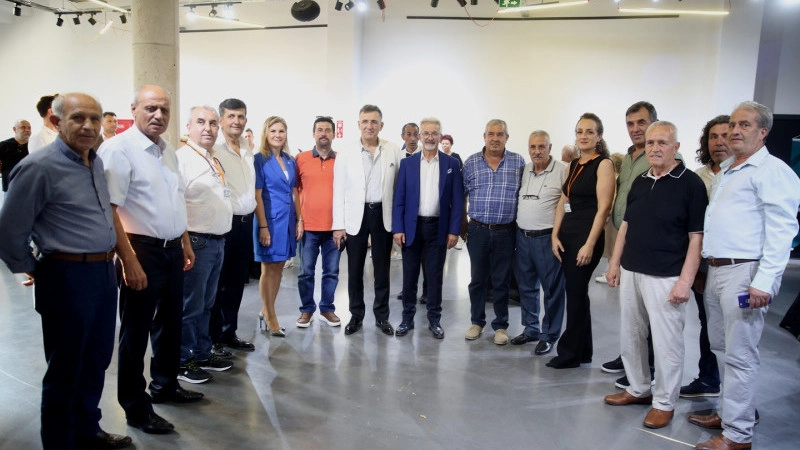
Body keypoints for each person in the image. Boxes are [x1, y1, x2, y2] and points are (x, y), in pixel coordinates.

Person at [0, 92, 132, 449]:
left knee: (96, 360)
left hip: (102, 274)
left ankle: (87, 431)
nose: (88, 126)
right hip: (66, 276)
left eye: (95, 118)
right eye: (78, 118)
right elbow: (9, 233)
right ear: (57, 122)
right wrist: (38, 269)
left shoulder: (95, 163)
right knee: (66, 368)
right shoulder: (38, 167)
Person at [690, 102, 800, 450]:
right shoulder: (728, 170)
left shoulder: (772, 171)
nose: (735, 131)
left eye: (745, 125)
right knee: (721, 347)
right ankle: (730, 412)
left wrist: (763, 281)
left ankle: (738, 434)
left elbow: (782, 231)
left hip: (745, 271)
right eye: (733, 124)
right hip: (718, 269)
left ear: (763, 132)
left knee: (740, 354)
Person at [99, 85, 201, 435]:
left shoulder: (167, 151)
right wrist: (128, 260)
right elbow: (110, 210)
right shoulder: (118, 150)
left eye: (164, 110)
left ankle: (165, 385)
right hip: (139, 249)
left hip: (172, 248)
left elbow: (174, 200)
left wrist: (184, 241)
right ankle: (135, 407)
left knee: (170, 323)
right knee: (135, 331)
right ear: (134, 109)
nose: (158, 115)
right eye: (151, 108)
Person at [603, 121, 707, 430]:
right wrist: (614, 263)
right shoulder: (640, 181)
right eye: (650, 143)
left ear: (676, 147)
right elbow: (626, 226)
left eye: (662, 142)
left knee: (666, 342)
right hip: (632, 269)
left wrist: (685, 281)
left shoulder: (690, 184)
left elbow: (696, 238)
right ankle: (638, 388)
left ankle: (664, 402)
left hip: (666, 276)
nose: (655, 148)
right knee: (631, 333)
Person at [546, 113, 614, 369]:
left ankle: (569, 354)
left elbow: (604, 208)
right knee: (577, 293)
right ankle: (583, 350)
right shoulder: (574, 164)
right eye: (579, 131)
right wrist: (555, 234)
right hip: (568, 235)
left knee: (575, 293)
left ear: (599, 136)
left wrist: (590, 244)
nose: (583, 136)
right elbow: (563, 201)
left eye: (589, 131)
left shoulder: (603, 164)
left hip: (586, 236)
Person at [602, 101, 659, 388]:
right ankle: (630, 358)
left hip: (647, 243)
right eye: (630, 123)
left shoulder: (660, 156)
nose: (635, 128)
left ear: (653, 123)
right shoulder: (627, 157)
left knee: (649, 312)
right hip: (625, 239)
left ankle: (646, 368)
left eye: (641, 122)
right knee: (631, 311)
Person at [175, 106, 234, 383]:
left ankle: (201, 352)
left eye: (212, 123)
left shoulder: (211, 158)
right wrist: (185, 242)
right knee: (190, 305)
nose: (208, 128)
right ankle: (182, 360)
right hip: (197, 243)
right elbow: (176, 205)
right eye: (201, 122)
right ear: (189, 127)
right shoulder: (182, 159)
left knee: (206, 305)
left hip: (217, 242)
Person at [332, 104, 400, 336]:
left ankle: (382, 316)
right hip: (355, 216)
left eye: (374, 122)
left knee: (382, 269)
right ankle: (356, 315)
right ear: (358, 124)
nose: (369, 126)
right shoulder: (346, 152)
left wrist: (398, 223)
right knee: (354, 270)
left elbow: (398, 188)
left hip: (382, 214)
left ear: (381, 125)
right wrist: (338, 225)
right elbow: (338, 190)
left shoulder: (392, 150)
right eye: (365, 121)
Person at [392, 117, 463, 339]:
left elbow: (458, 201)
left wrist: (454, 231)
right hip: (411, 229)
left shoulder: (451, 164)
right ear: (420, 136)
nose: (430, 137)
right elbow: (399, 199)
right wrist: (398, 228)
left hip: (438, 229)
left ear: (440, 136)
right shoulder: (408, 164)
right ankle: (407, 319)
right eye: (426, 133)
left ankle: (434, 320)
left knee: (434, 278)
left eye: (434, 133)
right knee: (409, 277)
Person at [680, 115, 732, 399]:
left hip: (734, 266)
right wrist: (697, 270)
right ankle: (709, 379)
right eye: (713, 136)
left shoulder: (742, 174)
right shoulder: (697, 177)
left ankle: (737, 401)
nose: (719, 142)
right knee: (708, 324)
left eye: (725, 135)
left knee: (734, 335)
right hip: (704, 264)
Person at [462, 119, 526, 345]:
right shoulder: (471, 163)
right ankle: (477, 322)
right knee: (477, 280)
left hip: (506, 232)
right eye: (491, 134)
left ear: (507, 138)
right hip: (478, 230)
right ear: (484, 136)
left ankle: (500, 326)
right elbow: (461, 196)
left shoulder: (518, 162)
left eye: (500, 134)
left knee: (502, 281)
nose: (495, 138)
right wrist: (463, 227)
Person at [511, 130, 567, 355]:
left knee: (552, 289)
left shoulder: (562, 171)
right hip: (522, 236)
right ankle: (531, 328)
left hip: (547, 238)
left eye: (541, 146)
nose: (537, 151)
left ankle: (549, 335)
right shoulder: (524, 170)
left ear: (550, 148)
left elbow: (569, 205)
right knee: (526, 286)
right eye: (533, 147)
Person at [210, 98, 256, 355]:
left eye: (240, 117)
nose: (236, 121)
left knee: (237, 282)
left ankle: (229, 332)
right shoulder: (214, 149)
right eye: (231, 116)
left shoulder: (247, 148)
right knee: (219, 283)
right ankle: (214, 336)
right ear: (221, 120)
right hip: (225, 223)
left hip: (246, 223)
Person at [254, 116, 302, 337]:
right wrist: (263, 227)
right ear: (266, 133)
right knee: (268, 268)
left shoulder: (290, 160)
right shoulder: (259, 160)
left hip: (287, 221)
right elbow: (257, 195)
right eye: (273, 131)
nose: (277, 135)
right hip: (269, 222)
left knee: (279, 267)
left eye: (281, 131)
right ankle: (271, 316)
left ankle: (267, 310)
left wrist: (299, 219)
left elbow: (294, 192)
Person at [295, 116, 342, 328]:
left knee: (331, 272)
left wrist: (343, 225)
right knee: (306, 272)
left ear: (334, 134)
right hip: (308, 227)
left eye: (327, 130)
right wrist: (298, 220)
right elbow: (294, 191)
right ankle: (306, 310)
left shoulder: (341, 159)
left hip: (334, 228)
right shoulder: (301, 159)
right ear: (314, 133)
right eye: (320, 130)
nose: (323, 133)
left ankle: (327, 309)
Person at [0, 119, 31, 193]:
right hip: (10, 188)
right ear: (14, 129)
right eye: (23, 127)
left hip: (29, 187)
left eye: (29, 128)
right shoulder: (4, 145)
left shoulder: (32, 145)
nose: (27, 130)